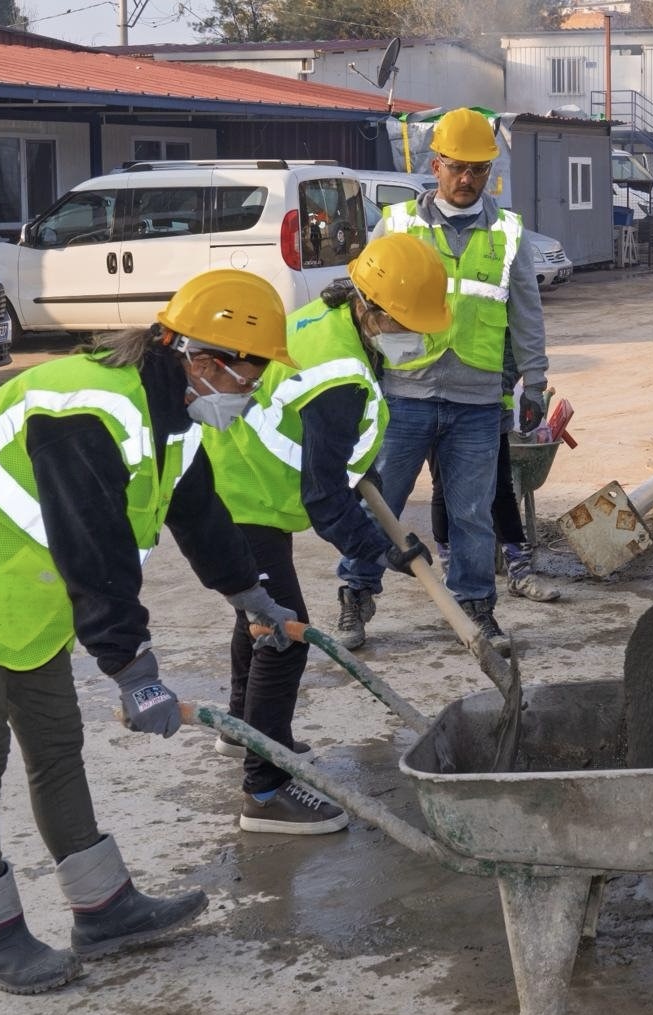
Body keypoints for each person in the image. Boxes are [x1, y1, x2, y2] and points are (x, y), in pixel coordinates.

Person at [0, 269, 301, 994]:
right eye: (251, 375)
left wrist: (252, 594)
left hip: (18, 601)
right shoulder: (87, 410)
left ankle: (103, 906)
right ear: (204, 356)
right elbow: (94, 552)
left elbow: (198, 513)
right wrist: (134, 671)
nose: (251, 393)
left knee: (57, 743)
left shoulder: (172, 413)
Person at [202, 234, 452, 833]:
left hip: (235, 473)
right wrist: (383, 550)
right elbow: (324, 500)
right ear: (371, 307)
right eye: (406, 321)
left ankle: (247, 729)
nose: (414, 333)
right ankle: (265, 791)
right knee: (285, 632)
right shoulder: (341, 372)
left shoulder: (329, 312)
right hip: (244, 494)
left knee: (257, 614)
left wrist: (356, 470)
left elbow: (327, 445)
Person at [335, 106, 549, 654]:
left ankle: (475, 607)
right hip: (405, 394)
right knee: (380, 504)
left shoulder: (507, 232)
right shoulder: (400, 222)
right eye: (457, 167)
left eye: (478, 169)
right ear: (436, 165)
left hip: (477, 402)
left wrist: (536, 382)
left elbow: (526, 312)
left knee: (472, 513)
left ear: (489, 172)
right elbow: (366, 301)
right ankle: (357, 595)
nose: (466, 179)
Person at [427, 343, 562, 603]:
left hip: (487, 403)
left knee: (500, 486)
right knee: (443, 486)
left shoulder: (494, 303)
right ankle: (450, 569)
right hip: (435, 398)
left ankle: (519, 571)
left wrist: (505, 383)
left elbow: (520, 336)